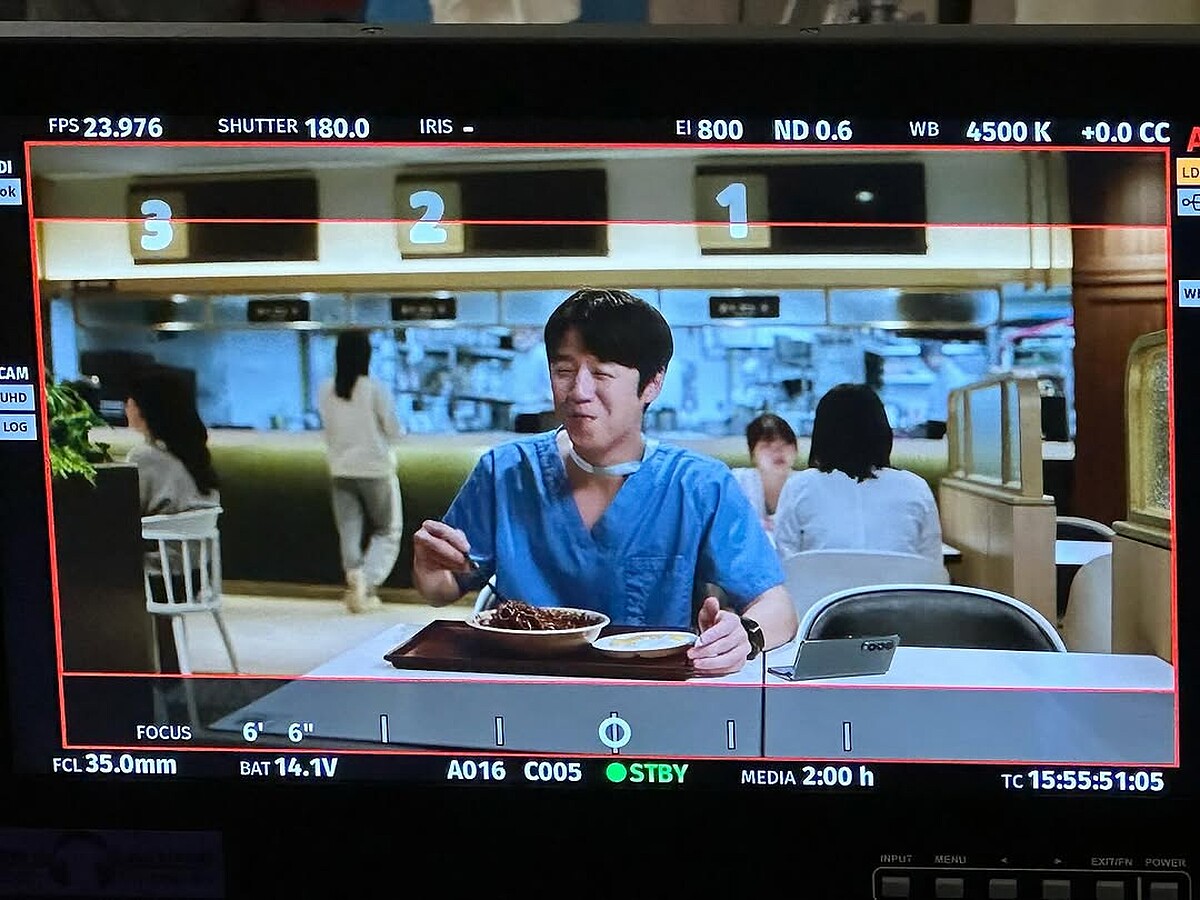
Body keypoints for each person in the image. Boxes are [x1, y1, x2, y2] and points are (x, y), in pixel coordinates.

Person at [412, 289, 798, 676]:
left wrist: (744, 635)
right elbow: (443, 587)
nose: (579, 393)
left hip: (651, 691)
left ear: (652, 383)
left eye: (601, 374)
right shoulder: (506, 472)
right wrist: (429, 569)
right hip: (523, 687)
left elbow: (777, 608)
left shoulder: (698, 485)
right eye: (564, 371)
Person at [773, 383, 943, 566]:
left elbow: (786, 566)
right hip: (900, 586)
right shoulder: (915, 488)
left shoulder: (798, 487)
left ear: (821, 433)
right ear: (882, 431)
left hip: (820, 586)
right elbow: (932, 568)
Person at [124, 367, 221, 674]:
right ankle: (167, 672)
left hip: (160, 581)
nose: (126, 407)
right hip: (193, 577)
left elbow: (123, 516)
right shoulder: (194, 457)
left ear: (145, 408)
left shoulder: (144, 459)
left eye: (131, 401)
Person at [317, 332, 406, 614]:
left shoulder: (325, 389)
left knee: (349, 530)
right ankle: (366, 583)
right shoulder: (375, 389)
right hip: (375, 469)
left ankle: (354, 576)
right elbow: (394, 429)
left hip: (340, 469)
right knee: (387, 530)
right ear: (367, 355)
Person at [731, 413, 801, 540]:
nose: (778, 451)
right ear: (753, 454)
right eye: (767, 445)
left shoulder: (807, 485)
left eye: (785, 443)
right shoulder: (737, 481)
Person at [920, 340, 972, 436]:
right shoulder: (942, 373)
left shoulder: (952, 375)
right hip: (942, 422)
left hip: (944, 423)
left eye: (925, 361)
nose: (926, 365)